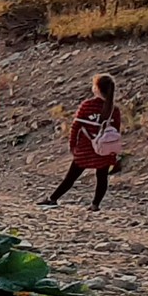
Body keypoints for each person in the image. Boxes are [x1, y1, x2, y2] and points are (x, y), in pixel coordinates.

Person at [41, 73, 122, 210]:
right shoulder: (114, 109)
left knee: (71, 177)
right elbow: (116, 131)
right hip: (104, 149)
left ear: (96, 88)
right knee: (102, 177)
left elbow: (75, 127)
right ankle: (95, 204)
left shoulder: (87, 105)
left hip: (85, 148)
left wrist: (73, 145)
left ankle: (53, 198)